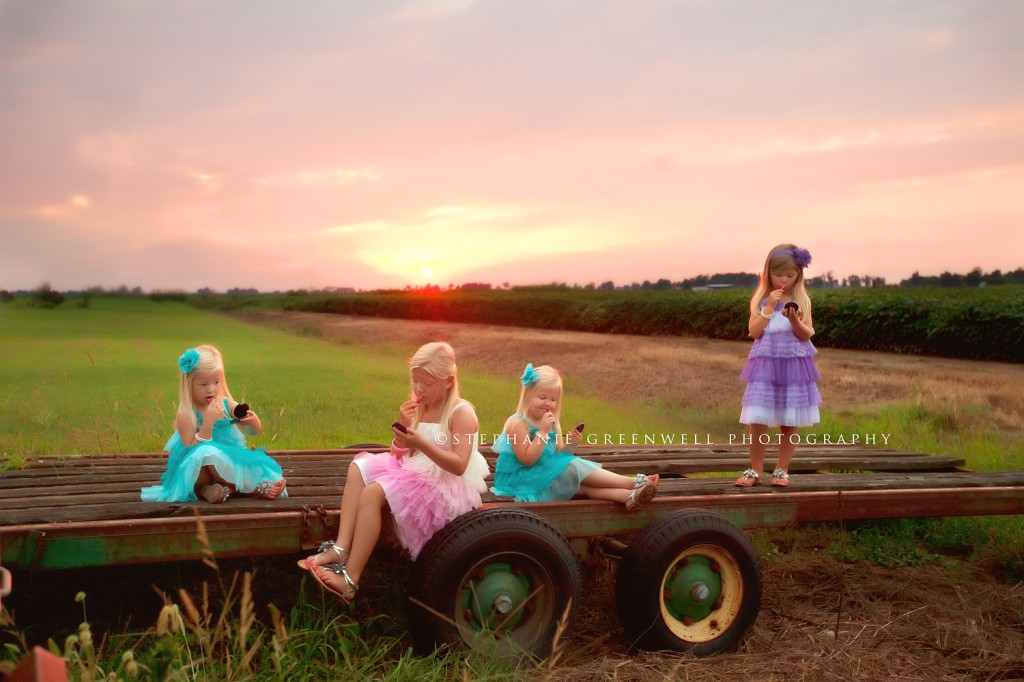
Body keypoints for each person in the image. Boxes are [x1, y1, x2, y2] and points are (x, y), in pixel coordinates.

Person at [299, 341, 489, 604]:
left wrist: (420, 442)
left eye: (427, 383)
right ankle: (341, 548)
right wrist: (404, 436)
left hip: (444, 485)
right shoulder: (421, 406)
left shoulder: (462, 413)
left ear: (448, 381)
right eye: (415, 381)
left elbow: (458, 465)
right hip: (418, 470)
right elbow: (407, 455)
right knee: (359, 467)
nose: (419, 389)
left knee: (373, 494)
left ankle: (350, 580)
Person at [490, 364, 659, 511]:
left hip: (543, 475)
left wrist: (571, 445)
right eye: (542, 397)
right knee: (573, 467)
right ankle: (632, 483)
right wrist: (542, 432)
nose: (548, 403)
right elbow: (528, 460)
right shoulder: (518, 424)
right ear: (528, 395)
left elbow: (557, 457)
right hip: (521, 481)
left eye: (553, 399)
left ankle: (629, 496)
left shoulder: (552, 422)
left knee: (581, 485)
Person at [141, 345, 287, 503]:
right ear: (189, 384)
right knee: (206, 452)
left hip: (224, 465)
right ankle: (248, 489)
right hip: (198, 471)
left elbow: (253, 432)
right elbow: (192, 449)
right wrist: (208, 422)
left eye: (216, 382)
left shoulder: (224, 404)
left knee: (250, 464)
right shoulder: (186, 413)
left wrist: (252, 421)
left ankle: (224, 489)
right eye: (203, 384)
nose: (211, 389)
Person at [735, 244, 822, 488]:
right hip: (766, 367)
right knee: (757, 420)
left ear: (798, 276)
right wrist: (770, 308)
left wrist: (794, 318)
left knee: (789, 419)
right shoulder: (762, 300)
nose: (784, 279)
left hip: (793, 368)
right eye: (779, 274)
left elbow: (806, 335)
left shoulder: (801, 300)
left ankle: (782, 470)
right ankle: (755, 469)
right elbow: (754, 332)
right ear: (768, 273)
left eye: (790, 275)